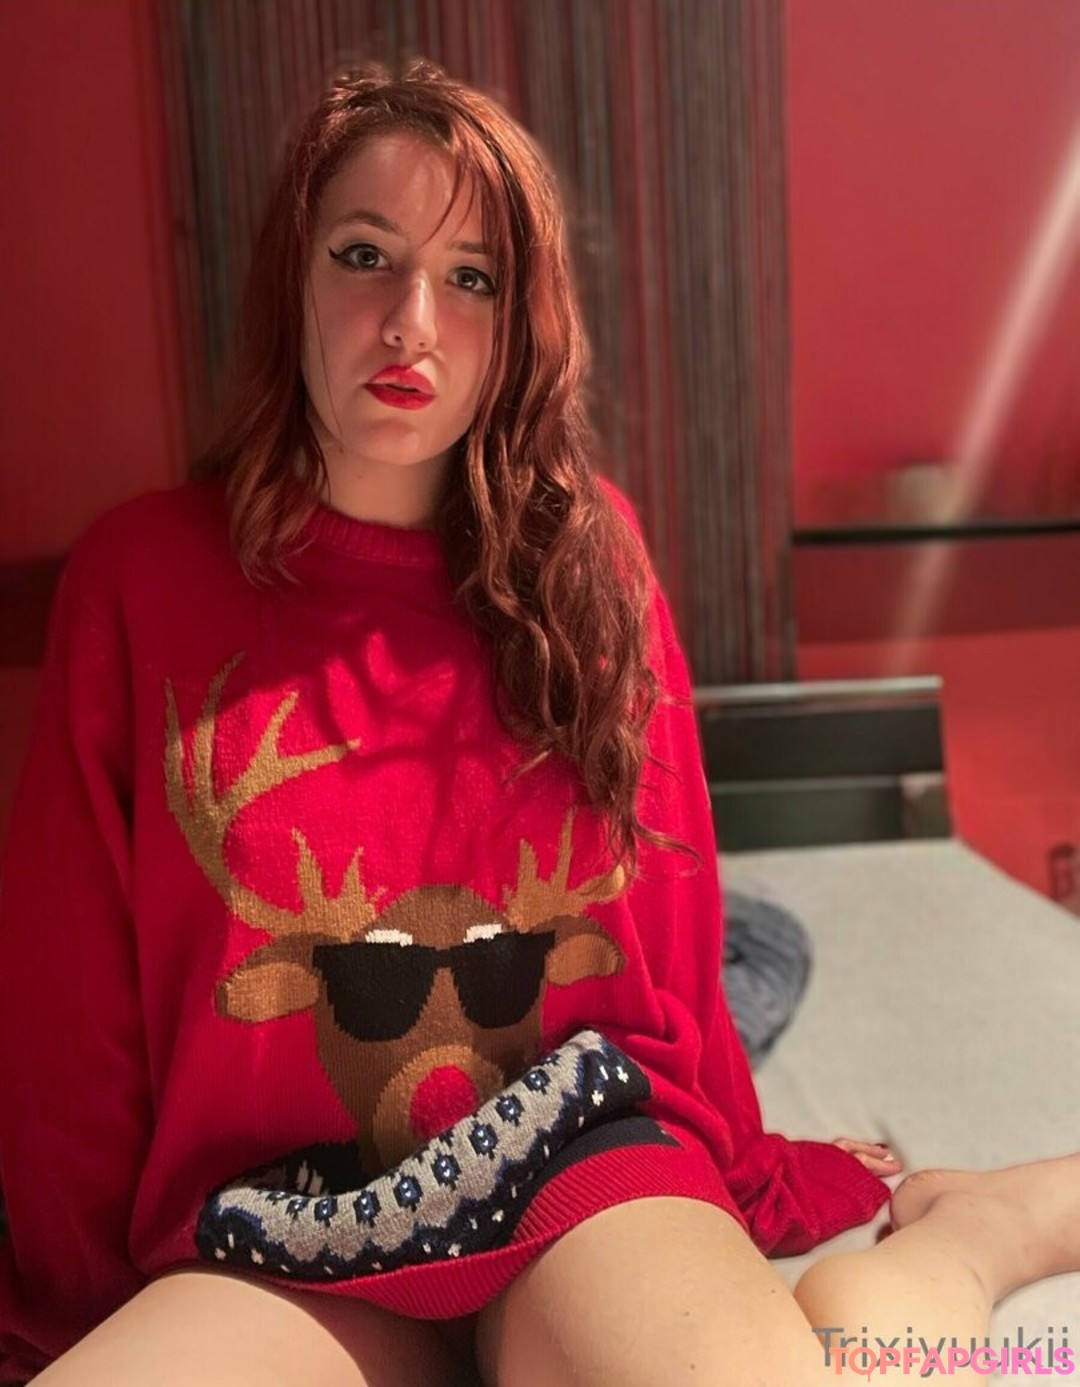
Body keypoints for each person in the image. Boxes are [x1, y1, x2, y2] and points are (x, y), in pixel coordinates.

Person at [0, 58, 1076, 1387]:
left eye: (472, 277)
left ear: (519, 322)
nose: (413, 323)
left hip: (571, 1163)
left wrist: (731, 1171)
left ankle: (957, 1248)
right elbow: (67, 1025)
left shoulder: (591, 562)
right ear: (294, 278)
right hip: (277, 1223)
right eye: (364, 255)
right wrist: (79, 1312)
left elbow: (672, 933)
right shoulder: (138, 582)